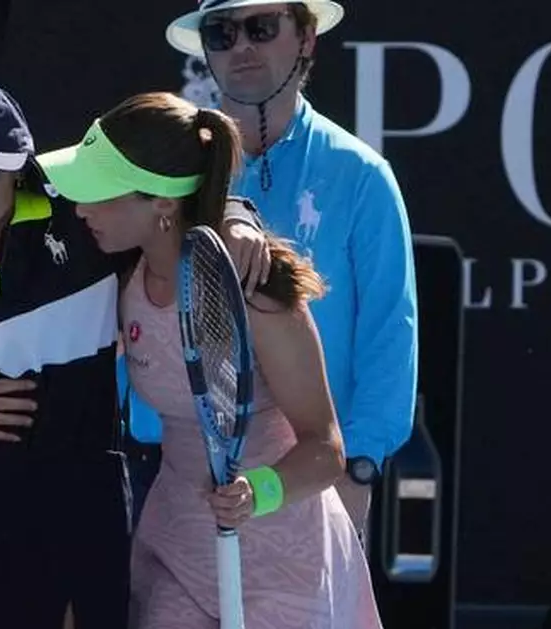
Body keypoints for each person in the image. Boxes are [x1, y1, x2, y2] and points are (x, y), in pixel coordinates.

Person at [0, 81, 268, 629]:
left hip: (92, 520)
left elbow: (167, 194)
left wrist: (237, 214)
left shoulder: (86, 226)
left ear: (19, 167)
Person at [38, 90, 382, 628]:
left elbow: (326, 449)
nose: (80, 208)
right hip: (175, 544)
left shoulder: (256, 294)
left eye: (99, 193)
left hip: (283, 564)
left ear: (162, 203)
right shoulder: (117, 270)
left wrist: (257, 493)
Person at [165, 0, 419, 537]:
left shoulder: (362, 175)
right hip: (181, 480)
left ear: (306, 38)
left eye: (261, 27)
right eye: (222, 32)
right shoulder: (171, 173)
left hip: (313, 485)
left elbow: (389, 332)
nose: (242, 46)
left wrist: (359, 465)